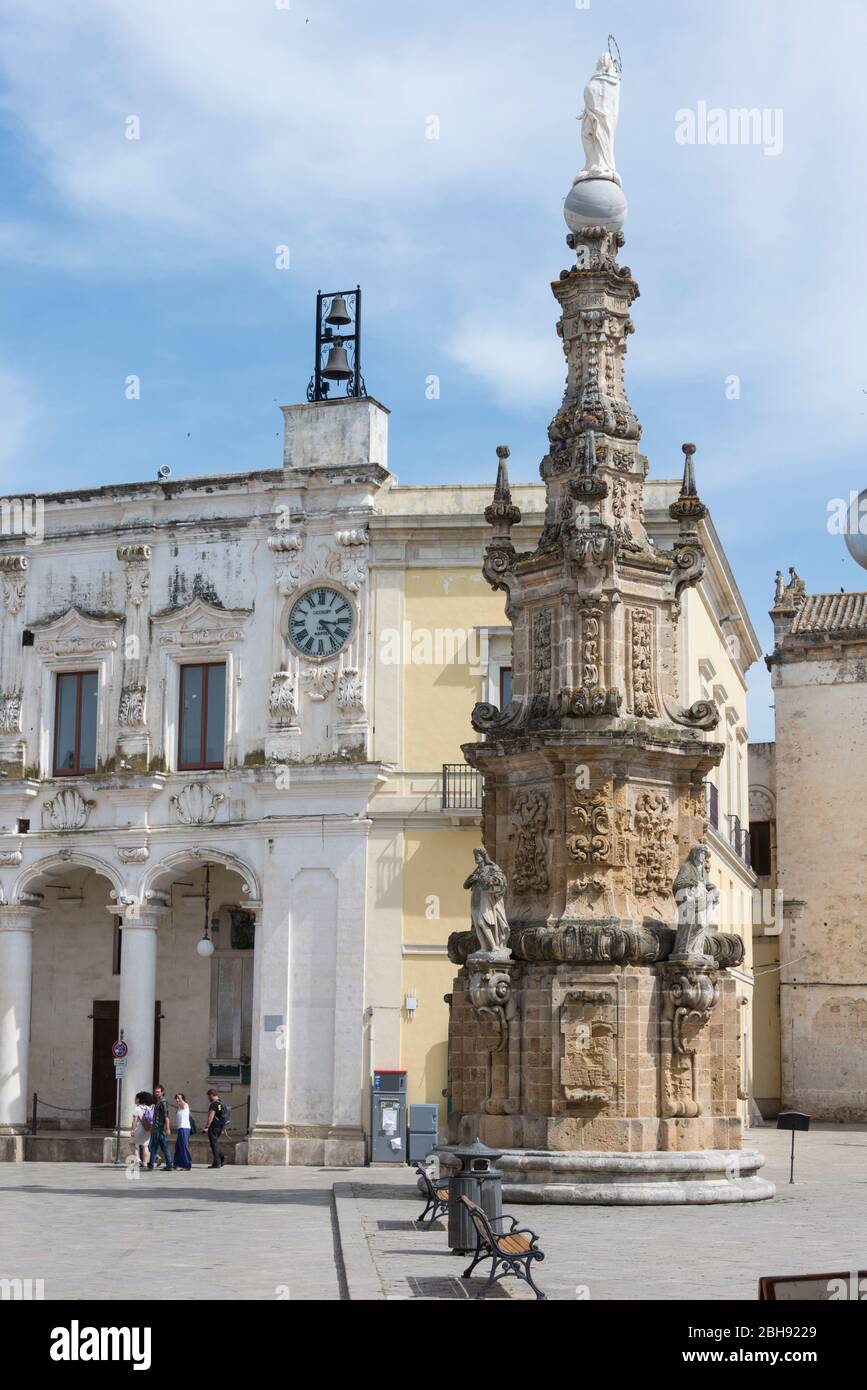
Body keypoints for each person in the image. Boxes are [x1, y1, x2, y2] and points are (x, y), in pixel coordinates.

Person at [146, 1085, 174, 1170]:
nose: (156, 1093)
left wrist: (168, 1128)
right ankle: (169, 1165)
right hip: (156, 1128)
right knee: (164, 1146)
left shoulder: (163, 1102)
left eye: (158, 1092)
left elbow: (166, 1116)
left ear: (162, 1092)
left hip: (159, 1128)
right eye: (155, 1092)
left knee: (153, 1146)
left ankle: (150, 1164)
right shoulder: (159, 1102)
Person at [204, 1089, 228, 1168]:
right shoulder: (220, 1104)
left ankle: (217, 1162)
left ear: (211, 1095)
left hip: (214, 1127)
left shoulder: (214, 1104)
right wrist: (222, 1128)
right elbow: (221, 1115)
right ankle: (221, 1157)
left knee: (214, 1144)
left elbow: (211, 1116)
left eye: (208, 1096)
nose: (208, 1098)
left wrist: (207, 1126)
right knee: (215, 1143)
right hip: (219, 1126)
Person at [129, 1091, 153, 1168]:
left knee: (131, 1143)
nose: (134, 1099)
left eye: (136, 1098)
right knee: (145, 1146)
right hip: (147, 1129)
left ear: (139, 1099)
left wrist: (132, 1130)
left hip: (139, 1129)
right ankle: (145, 1163)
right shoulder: (149, 1108)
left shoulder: (137, 1108)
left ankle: (138, 1160)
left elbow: (135, 1120)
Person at [173, 1093, 193, 1170]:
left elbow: (182, 1103)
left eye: (179, 1098)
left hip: (184, 1128)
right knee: (178, 1147)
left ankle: (187, 1165)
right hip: (180, 1129)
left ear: (183, 1099)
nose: (177, 1100)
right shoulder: (179, 1108)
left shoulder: (185, 1105)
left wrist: (179, 1096)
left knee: (184, 1146)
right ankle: (177, 1163)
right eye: (176, 1098)